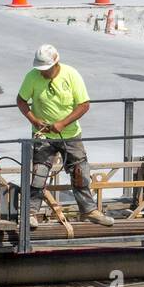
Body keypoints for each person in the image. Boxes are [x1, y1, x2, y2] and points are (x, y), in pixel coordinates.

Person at [16, 44, 114, 228]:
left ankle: (89, 210)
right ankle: (30, 213)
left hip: (70, 134)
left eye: (46, 69)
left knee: (79, 172)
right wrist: (34, 120)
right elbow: (21, 100)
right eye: (40, 70)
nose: (43, 73)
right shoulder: (32, 76)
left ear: (56, 64)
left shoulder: (71, 75)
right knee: (39, 172)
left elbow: (84, 104)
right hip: (43, 134)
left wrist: (62, 124)